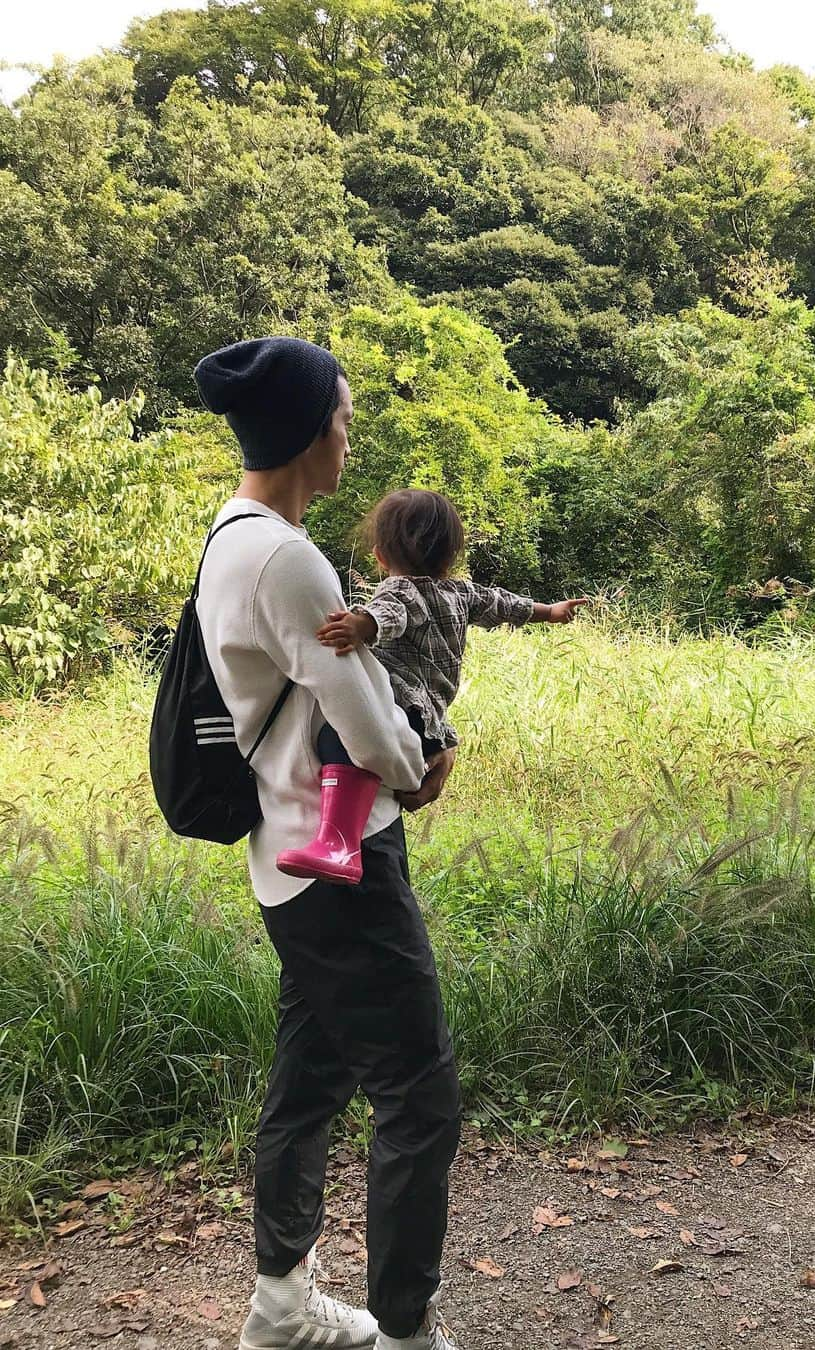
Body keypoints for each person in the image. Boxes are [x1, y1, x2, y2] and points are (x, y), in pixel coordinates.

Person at [192, 336, 462, 1350]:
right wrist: (420, 767)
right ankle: (404, 1333)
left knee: (310, 1084)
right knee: (421, 1098)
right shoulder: (287, 558)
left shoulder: (232, 535)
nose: (351, 438)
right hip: (343, 862)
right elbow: (364, 725)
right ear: (312, 433)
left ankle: (282, 1307)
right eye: (344, 419)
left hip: (291, 860)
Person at [276, 487, 587, 884]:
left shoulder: (402, 589)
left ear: (381, 556)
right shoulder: (463, 593)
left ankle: (339, 842)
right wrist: (551, 611)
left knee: (337, 737)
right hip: (430, 721)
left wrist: (362, 625)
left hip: (402, 706)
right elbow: (504, 603)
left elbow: (392, 613)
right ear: (452, 554)